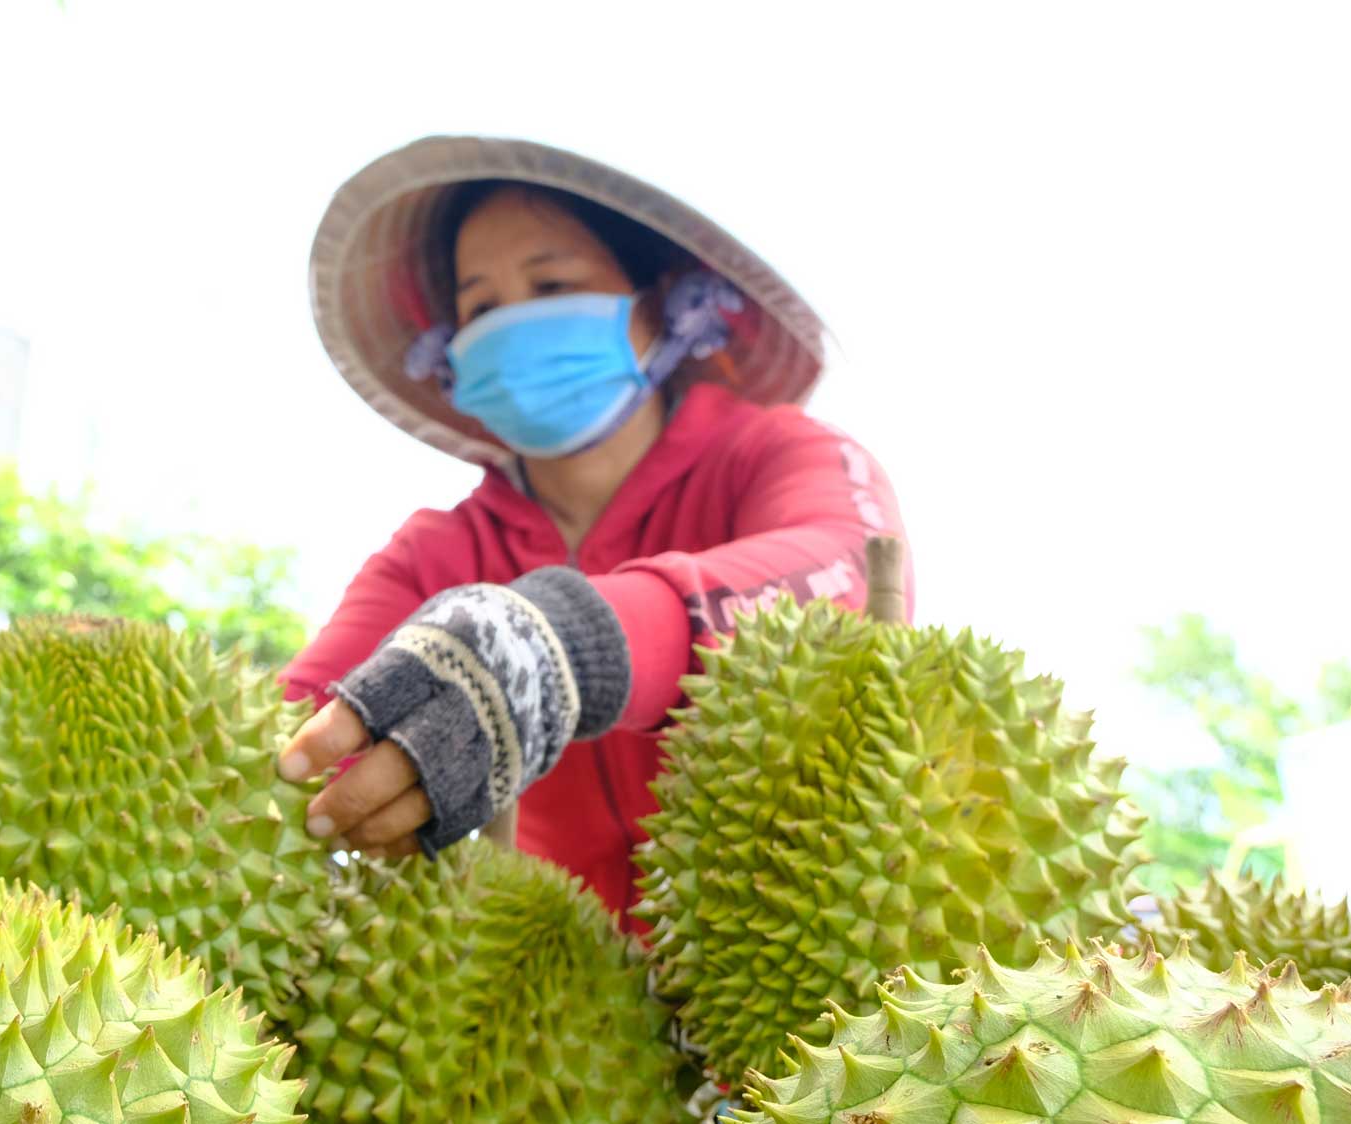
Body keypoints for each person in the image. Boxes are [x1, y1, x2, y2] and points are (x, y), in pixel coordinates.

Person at [277, 135, 911, 936]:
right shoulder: (437, 555)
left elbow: (844, 571)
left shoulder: (778, 456)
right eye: (480, 309)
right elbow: (302, 726)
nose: (514, 323)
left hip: (801, 949)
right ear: (451, 354)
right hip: (559, 1003)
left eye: (551, 284)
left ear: (665, 305)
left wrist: (569, 641)